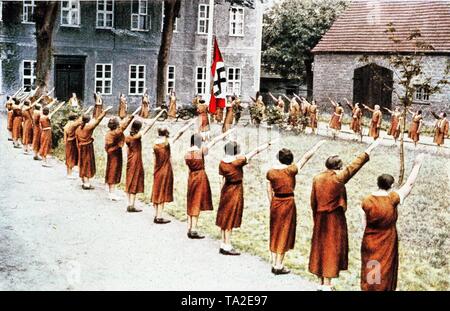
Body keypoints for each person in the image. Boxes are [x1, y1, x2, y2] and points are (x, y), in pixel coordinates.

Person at [309, 139, 381, 291]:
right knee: (331, 248)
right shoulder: (338, 178)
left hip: (320, 216)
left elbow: (313, 201)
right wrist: (369, 149)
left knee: (319, 247)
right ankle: (327, 285)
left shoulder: (317, 178)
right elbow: (355, 166)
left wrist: (316, 217)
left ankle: (321, 282)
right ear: (339, 167)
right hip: (334, 218)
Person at [361, 154, 425, 291]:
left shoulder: (367, 201)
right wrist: (417, 165)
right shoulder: (392, 199)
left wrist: (368, 236)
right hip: (387, 241)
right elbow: (409, 184)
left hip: (370, 239)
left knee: (372, 270)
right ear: (391, 186)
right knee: (386, 271)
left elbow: (364, 223)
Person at [266, 140, 325, 275]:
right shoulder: (291, 170)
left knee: (275, 231)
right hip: (288, 202)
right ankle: (278, 265)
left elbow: (268, 188)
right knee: (285, 232)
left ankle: (274, 260)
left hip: (276, 202)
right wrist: (316, 146)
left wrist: (272, 202)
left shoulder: (271, 172)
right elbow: (305, 158)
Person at [216, 140, 273, 256]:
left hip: (226, 189)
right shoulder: (238, 162)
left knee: (225, 217)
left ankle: (223, 243)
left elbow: (220, 180)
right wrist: (267, 144)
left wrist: (221, 193)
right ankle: (227, 245)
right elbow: (254, 152)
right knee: (230, 218)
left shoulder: (222, 163)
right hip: (235, 189)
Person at [185, 129, 236, 239]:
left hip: (191, 177)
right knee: (197, 202)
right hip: (200, 177)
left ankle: (189, 226)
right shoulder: (200, 151)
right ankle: (193, 229)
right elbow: (213, 142)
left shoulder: (187, 152)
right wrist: (225, 134)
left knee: (191, 200)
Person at [151, 120, 196, 224]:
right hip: (165, 169)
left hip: (157, 169)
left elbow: (154, 158)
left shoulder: (155, 143)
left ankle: (156, 213)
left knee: (157, 191)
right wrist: (188, 124)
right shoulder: (167, 143)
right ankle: (159, 216)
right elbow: (179, 133)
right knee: (162, 192)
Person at [125, 109, 166, 212]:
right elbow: (149, 126)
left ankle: (129, 203)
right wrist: (159, 115)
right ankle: (132, 205)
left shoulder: (128, 137)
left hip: (130, 158)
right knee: (134, 180)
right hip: (136, 159)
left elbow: (127, 149)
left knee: (129, 179)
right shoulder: (137, 136)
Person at [104, 106, 143, 201]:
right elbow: (124, 125)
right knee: (113, 171)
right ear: (116, 125)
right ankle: (112, 193)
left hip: (111, 153)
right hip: (115, 153)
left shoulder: (110, 132)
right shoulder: (116, 132)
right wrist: (119, 145)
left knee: (111, 170)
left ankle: (111, 191)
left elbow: (124, 124)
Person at [76, 105, 113, 189]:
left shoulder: (78, 128)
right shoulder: (89, 127)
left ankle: (83, 180)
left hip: (81, 147)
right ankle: (87, 183)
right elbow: (98, 120)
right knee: (87, 164)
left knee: (82, 163)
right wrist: (104, 112)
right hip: (87, 147)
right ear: (88, 121)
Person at [64, 106, 93, 179]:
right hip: (71, 142)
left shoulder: (67, 124)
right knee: (70, 157)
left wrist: (89, 109)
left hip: (69, 142)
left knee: (70, 156)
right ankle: (69, 174)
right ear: (74, 118)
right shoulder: (73, 124)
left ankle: (70, 172)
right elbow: (82, 120)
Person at [38, 101, 66, 167]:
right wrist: (59, 106)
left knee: (44, 144)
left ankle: (44, 159)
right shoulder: (47, 117)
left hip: (44, 132)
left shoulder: (41, 116)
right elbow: (54, 112)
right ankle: (44, 161)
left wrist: (53, 102)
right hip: (47, 132)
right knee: (46, 145)